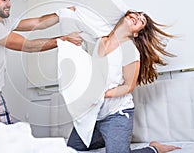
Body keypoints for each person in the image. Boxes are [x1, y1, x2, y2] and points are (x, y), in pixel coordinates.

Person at [66, 9, 181, 153]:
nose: (138, 18)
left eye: (142, 21)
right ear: (126, 15)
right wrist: (73, 13)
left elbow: (128, 86)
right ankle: (106, 137)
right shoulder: (100, 39)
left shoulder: (130, 52)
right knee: (69, 150)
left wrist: (102, 94)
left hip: (116, 114)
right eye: (137, 15)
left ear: (136, 33)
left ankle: (154, 148)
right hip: (93, 113)